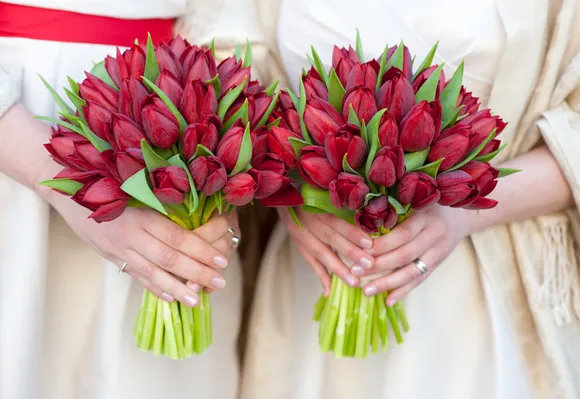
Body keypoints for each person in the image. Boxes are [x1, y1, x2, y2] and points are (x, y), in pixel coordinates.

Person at [242, 0, 580, 398]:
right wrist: (295, 191)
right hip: (312, 277)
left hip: (473, 296)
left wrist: (462, 214)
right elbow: (234, 58)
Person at [0, 0, 274, 398]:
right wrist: (61, 180)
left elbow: (226, 20)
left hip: (177, 104)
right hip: (10, 129)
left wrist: (222, 171)